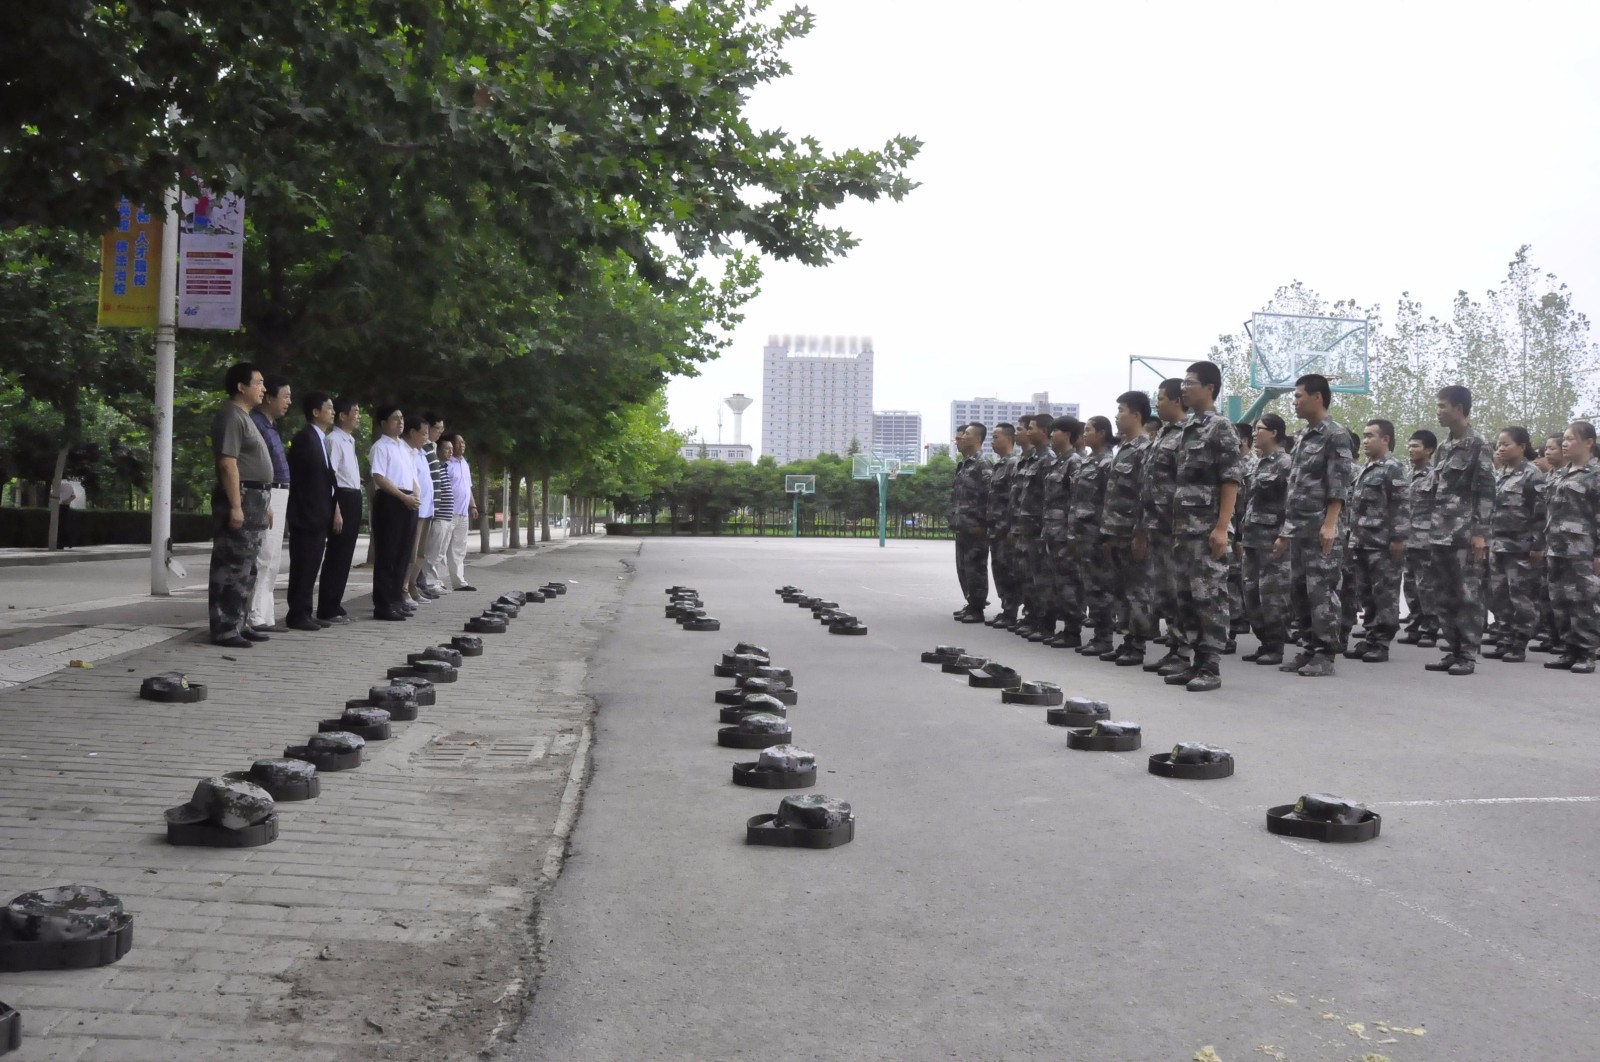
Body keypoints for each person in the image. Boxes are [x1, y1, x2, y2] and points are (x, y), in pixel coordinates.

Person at [1162, 362, 1244, 692]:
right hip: (1183, 528)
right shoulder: (1186, 429)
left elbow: (1231, 479)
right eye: (1183, 383)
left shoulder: (1220, 427)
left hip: (1207, 528)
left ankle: (1211, 665)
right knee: (1185, 598)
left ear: (1209, 388)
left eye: (1190, 383)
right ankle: (1196, 660)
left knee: (1209, 597)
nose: (1184, 389)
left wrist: (1222, 527)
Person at [1274, 373, 1355, 678]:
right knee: (1300, 593)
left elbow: (1339, 484)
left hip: (1321, 529)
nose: (1294, 402)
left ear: (1317, 397)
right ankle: (1308, 648)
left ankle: (1324, 654)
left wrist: (1330, 524)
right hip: (1299, 529)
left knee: (1322, 593)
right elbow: (1295, 487)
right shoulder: (1304, 436)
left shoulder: (1335, 435)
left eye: (1298, 396)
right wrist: (1286, 531)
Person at [1417, 385, 1496, 675]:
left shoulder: (1478, 445)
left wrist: (1480, 533)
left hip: (1465, 534)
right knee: (1444, 594)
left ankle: (1468, 654)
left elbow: (1486, 491)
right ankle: (1452, 649)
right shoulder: (1445, 447)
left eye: (1442, 406)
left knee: (1468, 595)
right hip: (1441, 532)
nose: (1438, 411)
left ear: (1459, 408)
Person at [208, 363, 272, 648]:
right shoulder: (231, 416)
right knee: (232, 563)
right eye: (258, 383)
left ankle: (239, 622)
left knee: (248, 565)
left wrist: (265, 504)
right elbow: (228, 463)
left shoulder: (246, 417)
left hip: (255, 497)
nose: (263, 389)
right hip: (242, 495)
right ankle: (225, 627)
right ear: (241, 387)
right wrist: (236, 505)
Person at [1340, 419, 1411, 662]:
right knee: (1367, 593)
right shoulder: (1365, 469)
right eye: (1365, 435)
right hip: (1362, 542)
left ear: (1386, 439)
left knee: (1385, 595)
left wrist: (1398, 538)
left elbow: (1401, 505)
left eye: (1371, 436)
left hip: (1382, 544)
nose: (1366, 440)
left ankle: (1381, 642)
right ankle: (1370, 637)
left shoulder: (1393, 468)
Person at [1135, 380, 1188, 675]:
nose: (1157, 404)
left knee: (1179, 593)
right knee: (1164, 593)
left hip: (1175, 527)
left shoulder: (1186, 434)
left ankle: (1184, 652)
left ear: (1177, 401)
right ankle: (1174, 648)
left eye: (1162, 398)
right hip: (1156, 525)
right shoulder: (1162, 435)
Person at [1482, 427, 1547, 663]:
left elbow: (1540, 515)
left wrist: (1537, 546)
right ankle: (1504, 638)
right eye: (1498, 444)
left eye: (1506, 444)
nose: (1500, 448)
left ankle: (1519, 642)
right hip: (1498, 545)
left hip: (1520, 547)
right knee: (1499, 595)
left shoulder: (1532, 475)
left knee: (1521, 597)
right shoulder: (1500, 474)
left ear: (1522, 447)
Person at [1540, 422, 1600, 672]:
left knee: (1583, 601)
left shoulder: (1595, 475)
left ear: (1588, 442)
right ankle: (1569, 650)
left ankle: (1586, 652)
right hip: (1556, 548)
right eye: (1563, 439)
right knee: (1560, 600)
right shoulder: (1560, 474)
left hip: (1582, 550)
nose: (1564, 443)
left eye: (1570, 439)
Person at [1099, 391, 1154, 665]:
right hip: (1116, 530)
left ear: (1136, 415)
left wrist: (1141, 534)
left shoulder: (1145, 449)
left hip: (1133, 532)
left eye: (1121, 410)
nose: (1117, 416)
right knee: (1121, 590)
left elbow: (1146, 494)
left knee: (1137, 591)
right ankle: (1128, 640)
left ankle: (1138, 645)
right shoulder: (1124, 448)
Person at [283, 392, 341, 632]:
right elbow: (300, 480)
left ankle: (306, 611)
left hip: (320, 513)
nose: (333, 412)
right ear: (316, 412)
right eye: (329, 408)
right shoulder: (304, 439)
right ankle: (297, 614)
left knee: (312, 565)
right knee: (303, 565)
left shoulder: (320, 439)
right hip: (307, 515)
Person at [1241, 414, 1292, 665]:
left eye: (1259, 428)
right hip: (1252, 538)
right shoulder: (1257, 463)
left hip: (1272, 540)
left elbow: (1292, 502)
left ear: (1273, 433)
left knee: (1271, 595)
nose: (1254, 433)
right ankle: (1264, 641)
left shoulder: (1285, 463)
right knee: (1250, 593)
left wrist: (1285, 535)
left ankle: (1275, 646)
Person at [247, 374, 293, 632]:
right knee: (264, 555)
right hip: (269, 492)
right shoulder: (256, 424)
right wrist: (266, 502)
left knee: (272, 557)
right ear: (270, 398)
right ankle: (255, 615)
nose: (289, 402)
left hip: (280, 491)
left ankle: (266, 615)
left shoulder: (270, 426)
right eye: (285, 396)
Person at [369, 406, 421, 620]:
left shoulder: (404, 448)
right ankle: (383, 605)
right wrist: (402, 496)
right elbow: (379, 477)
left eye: (401, 418)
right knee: (387, 555)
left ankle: (396, 599)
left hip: (408, 501)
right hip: (390, 501)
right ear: (383, 423)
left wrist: (414, 496)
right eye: (394, 419)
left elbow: (412, 476)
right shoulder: (381, 447)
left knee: (402, 554)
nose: (400, 422)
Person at [1070, 416, 1115, 654]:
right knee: (1090, 586)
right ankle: (1098, 635)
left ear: (1102, 433)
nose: (1084, 434)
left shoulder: (1108, 463)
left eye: (1089, 430)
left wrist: (1106, 535)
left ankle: (1104, 638)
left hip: (1097, 534)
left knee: (1101, 588)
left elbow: (1110, 501)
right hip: (1084, 534)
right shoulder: (1087, 461)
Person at [317, 396, 363, 624]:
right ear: (343, 416)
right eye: (355, 412)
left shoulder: (349, 440)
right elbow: (331, 477)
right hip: (341, 498)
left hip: (353, 496)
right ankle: (327, 606)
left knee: (346, 555)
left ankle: (336, 601)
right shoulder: (334, 440)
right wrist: (336, 509)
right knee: (337, 554)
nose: (358, 417)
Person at [1041, 416, 1084, 647]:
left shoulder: (1074, 462)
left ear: (1067, 435)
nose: (1051, 435)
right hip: (1052, 531)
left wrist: (1072, 533)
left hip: (1064, 534)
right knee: (1056, 582)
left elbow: (1076, 500)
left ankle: (1072, 631)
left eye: (1055, 431)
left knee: (1069, 583)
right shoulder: (1057, 462)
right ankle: (1063, 627)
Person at [1011, 413, 1055, 640]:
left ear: (1044, 431)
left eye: (1031, 428)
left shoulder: (1048, 459)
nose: (1027, 432)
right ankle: (1031, 617)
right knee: (1027, 576)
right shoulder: (1032, 458)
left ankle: (1044, 623)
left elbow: (1050, 497)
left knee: (1041, 579)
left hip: (1038, 528)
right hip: (1025, 527)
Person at [1398, 430, 1440, 646]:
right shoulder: (1406, 476)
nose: (1410, 450)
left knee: (1427, 586)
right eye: (1410, 445)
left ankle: (1430, 628)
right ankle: (1414, 624)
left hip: (1426, 540)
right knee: (1410, 585)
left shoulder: (1435, 476)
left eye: (1415, 446)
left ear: (1429, 450)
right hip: (1407, 538)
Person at [948, 422, 991, 622]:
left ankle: (977, 608)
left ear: (978, 439)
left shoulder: (983, 463)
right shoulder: (964, 464)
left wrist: (983, 523)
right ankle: (971, 603)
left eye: (966, 434)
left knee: (976, 568)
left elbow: (989, 495)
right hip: (962, 525)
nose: (962, 437)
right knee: (963, 568)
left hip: (976, 526)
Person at [985, 424, 1021, 627]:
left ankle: (1011, 611)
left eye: (995, 437)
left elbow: (1015, 499)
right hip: (996, 528)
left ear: (1008, 439)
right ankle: (1007, 609)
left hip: (1005, 528)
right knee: (999, 569)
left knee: (1009, 570)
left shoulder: (1013, 463)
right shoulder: (1000, 464)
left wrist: (1011, 526)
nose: (992, 441)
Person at [417, 416, 454, 597]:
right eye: (437, 428)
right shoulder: (423, 450)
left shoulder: (431, 451)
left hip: (439, 513)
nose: (439, 432)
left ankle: (430, 582)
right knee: (429, 552)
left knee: (437, 552)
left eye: (442, 429)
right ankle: (425, 583)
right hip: (432, 512)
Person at [443, 432, 479, 591]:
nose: (461, 445)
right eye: (457, 443)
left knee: (459, 549)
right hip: (448, 512)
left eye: (463, 442)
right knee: (441, 548)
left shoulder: (464, 463)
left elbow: (467, 487)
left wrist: (473, 506)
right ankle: (436, 582)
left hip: (463, 513)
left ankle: (459, 582)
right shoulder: (446, 464)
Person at [54, 474, 82, 549]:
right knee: (64, 524)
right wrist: (67, 501)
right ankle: (68, 541)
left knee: (59, 525)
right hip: (66, 506)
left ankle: (60, 543)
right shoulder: (69, 485)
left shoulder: (59, 484)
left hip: (59, 505)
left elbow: (53, 494)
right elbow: (73, 496)